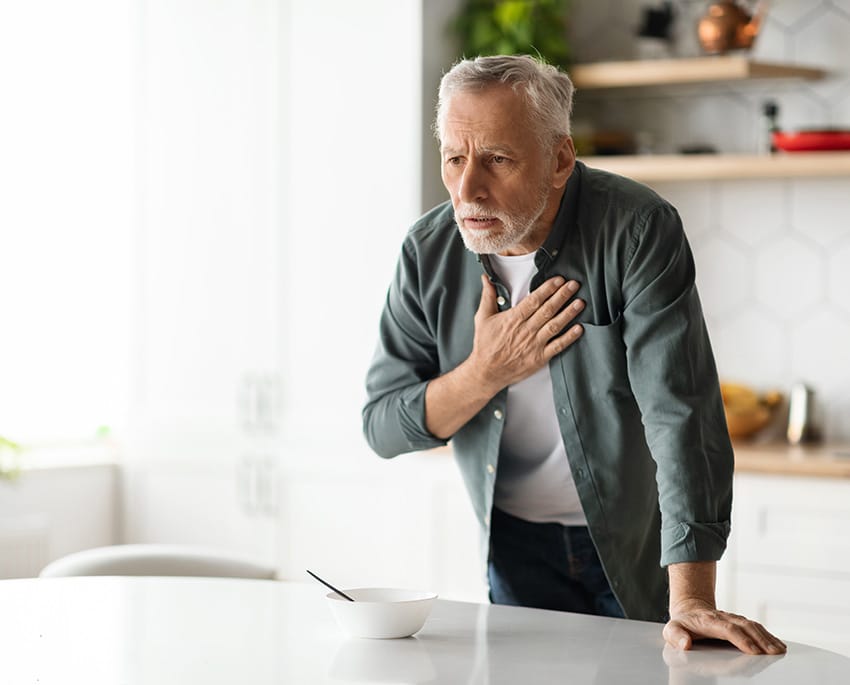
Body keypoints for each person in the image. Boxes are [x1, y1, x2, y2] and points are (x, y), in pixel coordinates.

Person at [362, 54, 785, 655]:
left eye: (497, 159)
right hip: (512, 546)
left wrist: (692, 600)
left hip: (635, 545)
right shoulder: (427, 251)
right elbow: (382, 427)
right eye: (454, 158)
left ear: (560, 160)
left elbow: (680, 414)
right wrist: (484, 373)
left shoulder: (638, 229)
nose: (466, 189)